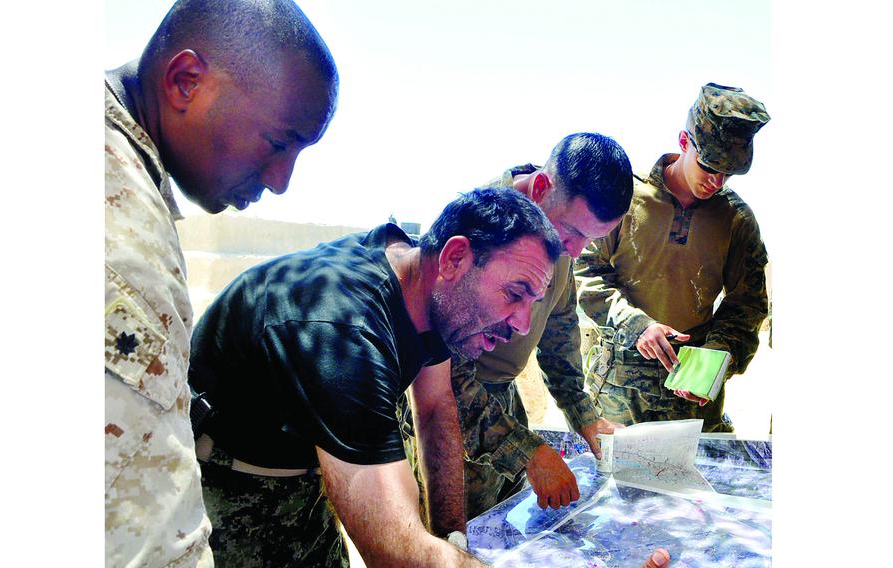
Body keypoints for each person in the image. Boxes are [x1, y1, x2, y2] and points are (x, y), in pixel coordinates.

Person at [187, 187, 560, 566]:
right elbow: (395, 548)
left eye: (534, 302)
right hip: (229, 492)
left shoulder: (426, 285)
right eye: (515, 293)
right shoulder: (347, 330)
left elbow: (434, 408)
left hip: (308, 480)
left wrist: (454, 538)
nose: (523, 324)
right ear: (455, 258)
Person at [104, 0, 338, 565]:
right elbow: (146, 539)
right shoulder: (121, 230)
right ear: (186, 82)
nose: (282, 182)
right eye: (279, 142)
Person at [402, 133, 636, 520]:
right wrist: (527, 451)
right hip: (450, 414)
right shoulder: (478, 224)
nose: (575, 252)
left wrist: (586, 418)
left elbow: (560, 336)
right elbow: (436, 368)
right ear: (541, 188)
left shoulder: (558, 233)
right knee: (454, 542)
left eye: (590, 239)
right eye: (575, 233)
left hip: (502, 402)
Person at [577, 83, 770, 432]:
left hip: (692, 399)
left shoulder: (736, 220)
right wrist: (635, 325)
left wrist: (717, 354)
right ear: (684, 142)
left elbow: (747, 306)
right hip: (618, 394)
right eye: (709, 165)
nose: (717, 180)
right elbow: (583, 272)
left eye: (728, 172)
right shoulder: (625, 198)